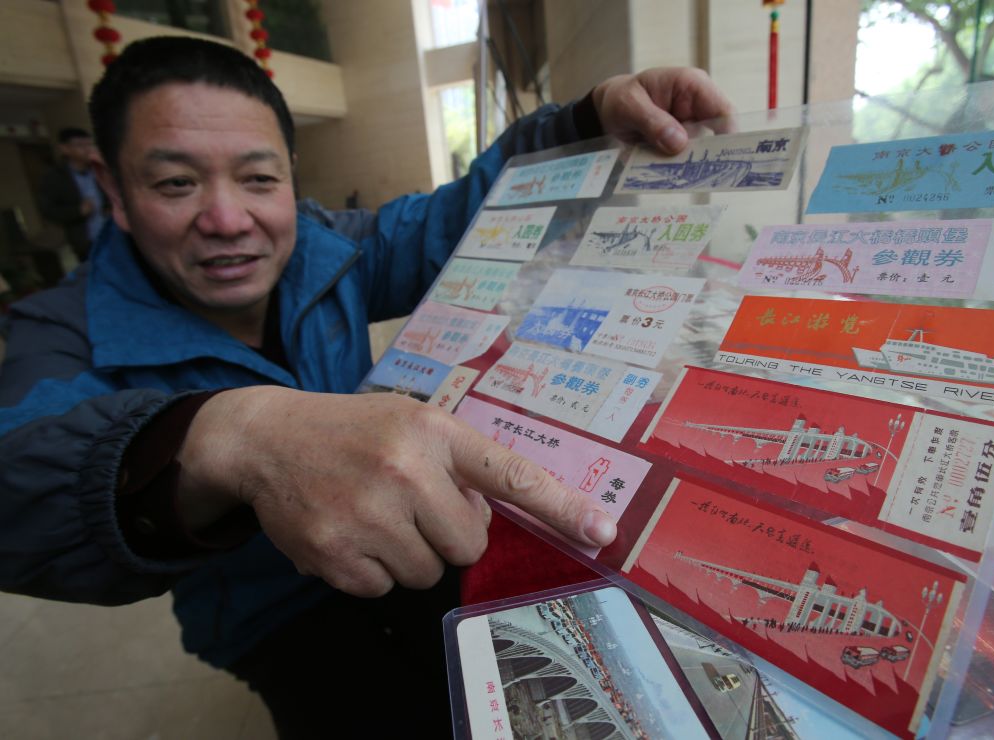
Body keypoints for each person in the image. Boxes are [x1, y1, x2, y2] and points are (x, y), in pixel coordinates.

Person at [0, 36, 732, 737]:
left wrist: (584, 123)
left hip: (411, 550)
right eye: (175, 183)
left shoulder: (333, 249)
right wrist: (232, 436)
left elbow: (465, 218)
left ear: (290, 173)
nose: (227, 219)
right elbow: (16, 483)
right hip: (275, 622)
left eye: (258, 179)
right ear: (114, 190)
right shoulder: (58, 327)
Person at [37, 127, 108, 261]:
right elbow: (47, 210)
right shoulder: (55, 177)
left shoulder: (100, 169)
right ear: (65, 149)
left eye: (89, 144)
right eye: (80, 145)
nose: (87, 149)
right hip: (86, 242)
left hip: (113, 235)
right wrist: (77, 211)